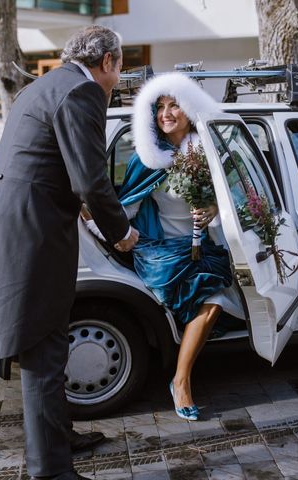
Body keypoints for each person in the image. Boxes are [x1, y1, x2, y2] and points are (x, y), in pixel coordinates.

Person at [0, 26, 139, 480]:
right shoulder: (83, 91)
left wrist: (81, 208)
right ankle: (50, 472)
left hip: (23, 222)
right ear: (107, 61)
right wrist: (120, 231)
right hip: (36, 230)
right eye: (119, 67)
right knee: (44, 349)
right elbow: (90, 179)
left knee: (51, 336)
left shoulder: (43, 85)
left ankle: (60, 436)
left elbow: (51, 159)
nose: (117, 78)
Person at [84, 73, 244, 421]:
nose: (166, 113)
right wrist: (94, 220)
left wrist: (214, 212)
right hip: (161, 252)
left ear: (189, 108)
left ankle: (181, 380)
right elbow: (128, 205)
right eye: (160, 107)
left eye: (174, 105)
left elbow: (238, 199)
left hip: (207, 247)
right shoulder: (147, 158)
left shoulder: (211, 155)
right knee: (201, 295)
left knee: (215, 300)